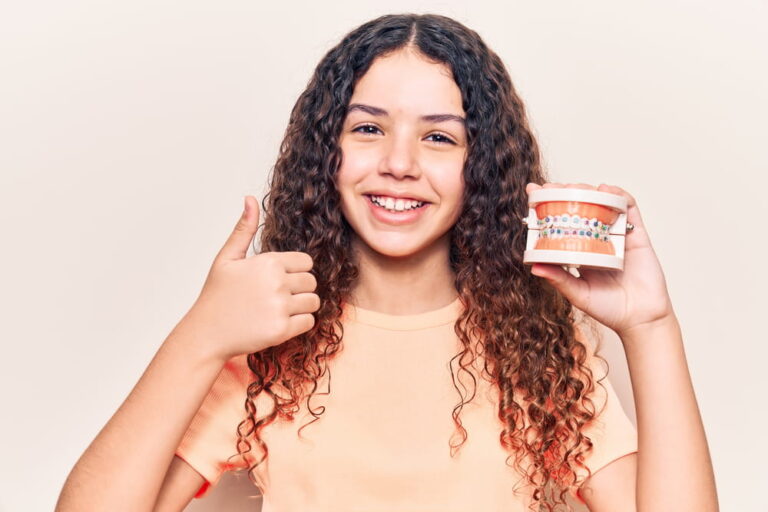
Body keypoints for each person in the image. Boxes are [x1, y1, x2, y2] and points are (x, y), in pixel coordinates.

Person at [55, 13, 718, 512]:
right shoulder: (268, 343)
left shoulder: (536, 347)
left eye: (438, 137)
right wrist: (199, 336)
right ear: (328, 151)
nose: (399, 163)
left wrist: (650, 327)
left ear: (479, 168)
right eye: (368, 127)